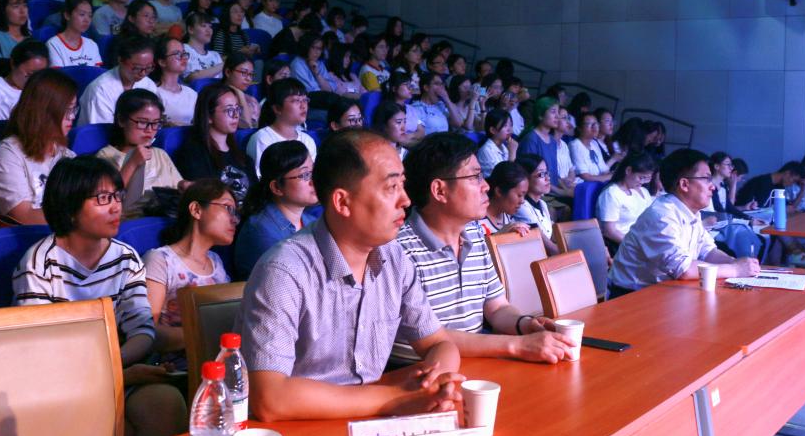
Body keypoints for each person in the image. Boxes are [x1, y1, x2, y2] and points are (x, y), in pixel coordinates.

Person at [237, 130, 464, 421]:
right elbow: (270, 399)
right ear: (342, 202)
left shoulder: (394, 259)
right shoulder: (284, 271)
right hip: (299, 432)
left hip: (367, 420)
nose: (406, 200)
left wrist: (436, 382)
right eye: (391, 187)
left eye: (403, 184)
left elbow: (439, 344)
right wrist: (395, 398)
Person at [12, 156, 187, 436]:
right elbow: (39, 349)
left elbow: (142, 330)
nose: (116, 206)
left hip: (117, 365)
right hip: (56, 377)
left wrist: (115, 369)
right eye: (103, 198)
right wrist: (115, 374)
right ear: (70, 207)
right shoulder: (39, 263)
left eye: (117, 196)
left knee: (165, 403)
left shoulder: (126, 258)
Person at [393, 133, 574, 363]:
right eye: (475, 177)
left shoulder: (475, 235)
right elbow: (431, 337)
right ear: (439, 191)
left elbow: (496, 308)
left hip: (476, 363)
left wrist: (524, 324)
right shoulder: (399, 250)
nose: (486, 186)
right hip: (418, 371)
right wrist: (517, 345)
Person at [607, 149, 762, 297]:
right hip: (631, 297)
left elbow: (708, 252)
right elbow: (684, 269)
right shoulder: (661, 216)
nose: (713, 186)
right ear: (684, 184)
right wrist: (735, 270)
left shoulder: (690, 212)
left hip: (665, 292)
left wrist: (737, 262)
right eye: (706, 178)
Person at [144, 179, 235, 363]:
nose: (234, 219)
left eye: (236, 213)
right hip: (173, 369)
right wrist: (209, 335)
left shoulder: (216, 263)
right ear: (196, 210)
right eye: (227, 208)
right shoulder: (160, 260)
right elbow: (147, 332)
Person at [0, 68, 78, 223]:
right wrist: (80, 219)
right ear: (44, 111)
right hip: (23, 235)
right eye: (67, 110)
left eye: (74, 109)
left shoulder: (66, 154)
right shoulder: (8, 154)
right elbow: (24, 217)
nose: (72, 116)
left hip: (61, 232)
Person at [234, 141, 319, 280]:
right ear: (277, 187)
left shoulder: (312, 222)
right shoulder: (260, 232)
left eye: (313, 171)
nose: (314, 180)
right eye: (304, 175)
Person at [97, 89, 186, 219]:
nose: (149, 130)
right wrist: (132, 163)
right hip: (129, 222)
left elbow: (177, 189)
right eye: (143, 122)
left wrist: (186, 187)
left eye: (155, 123)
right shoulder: (105, 156)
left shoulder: (160, 154)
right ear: (121, 120)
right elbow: (107, 200)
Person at [174, 82, 254, 206]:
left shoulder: (242, 156)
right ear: (208, 117)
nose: (236, 115)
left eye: (237, 109)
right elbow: (205, 201)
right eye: (229, 110)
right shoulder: (193, 154)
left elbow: (256, 194)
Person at [77, 35, 157, 126]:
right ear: (120, 60)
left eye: (149, 67)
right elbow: (102, 130)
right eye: (137, 68)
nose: (143, 73)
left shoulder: (148, 85)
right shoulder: (101, 90)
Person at [247, 78, 318, 177]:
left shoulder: (308, 140)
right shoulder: (262, 139)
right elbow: (260, 178)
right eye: (296, 100)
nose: (303, 106)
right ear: (277, 108)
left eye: (305, 100)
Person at [0, 39, 49, 121]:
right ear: (13, 63)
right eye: (29, 74)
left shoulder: (40, 90)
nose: (34, 80)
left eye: (39, 75)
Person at [597, 152, 656, 256]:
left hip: (641, 241)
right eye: (641, 177)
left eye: (646, 178)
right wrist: (637, 246)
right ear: (628, 170)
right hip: (622, 245)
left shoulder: (642, 191)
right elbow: (609, 232)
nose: (642, 182)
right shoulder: (612, 193)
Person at [517, 97, 570, 198]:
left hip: (550, 191)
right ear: (541, 116)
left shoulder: (552, 140)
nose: (557, 116)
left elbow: (553, 174)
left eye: (558, 112)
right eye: (553, 112)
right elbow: (532, 177)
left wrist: (566, 190)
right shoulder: (531, 139)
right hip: (537, 194)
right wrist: (562, 192)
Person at [514, 153, 560, 255]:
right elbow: (550, 248)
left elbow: (554, 236)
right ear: (525, 179)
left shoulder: (542, 203)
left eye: (547, 173)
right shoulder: (522, 206)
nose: (547, 178)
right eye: (541, 174)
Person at [47, 0, 102, 67]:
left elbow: (97, 73)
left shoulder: (92, 44)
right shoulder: (53, 44)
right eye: (82, 14)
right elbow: (58, 74)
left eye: (90, 15)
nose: (87, 20)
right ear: (67, 15)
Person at [480, 160, 534, 237]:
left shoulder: (508, 217)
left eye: (524, 196)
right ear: (499, 191)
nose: (522, 201)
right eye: (519, 195)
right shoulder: (476, 220)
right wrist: (502, 233)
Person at [152, 35, 197, 127]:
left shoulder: (192, 93)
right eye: (177, 54)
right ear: (162, 62)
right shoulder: (153, 92)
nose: (183, 58)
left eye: (184, 53)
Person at [735, 161, 805, 209]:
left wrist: (802, 190)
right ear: (787, 173)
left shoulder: (780, 187)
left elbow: (789, 208)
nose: (792, 184)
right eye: (794, 181)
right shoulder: (761, 183)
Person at [569, 111, 613, 182]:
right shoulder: (575, 145)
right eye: (590, 124)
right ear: (580, 128)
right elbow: (585, 176)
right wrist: (607, 177)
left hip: (599, 183)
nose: (595, 127)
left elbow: (604, 170)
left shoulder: (594, 143)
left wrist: (612, 174)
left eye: (596, 124)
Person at [223, 52, 261, 128]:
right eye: (244, 73)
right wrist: (240, 95)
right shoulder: (217, 97)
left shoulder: (252, 101)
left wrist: (241, 95)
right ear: (228, 72)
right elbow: (247, 125)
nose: (248, 79)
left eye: (251, 74)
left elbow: (252, 129)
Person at [182, 11, 223, 80]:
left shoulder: (215, 55)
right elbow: (191, 78)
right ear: (190, 29)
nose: (209, 30)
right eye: (203, 26)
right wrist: (223, 65)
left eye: (210, 26)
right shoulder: (182, 49)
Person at [477, 109, 517, 177]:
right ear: (493, 130)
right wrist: (512, 153)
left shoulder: (504, 146)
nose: (509, 129)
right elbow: (505, 177)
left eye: (510, 125)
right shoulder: (486, 150)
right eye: (505, 126)